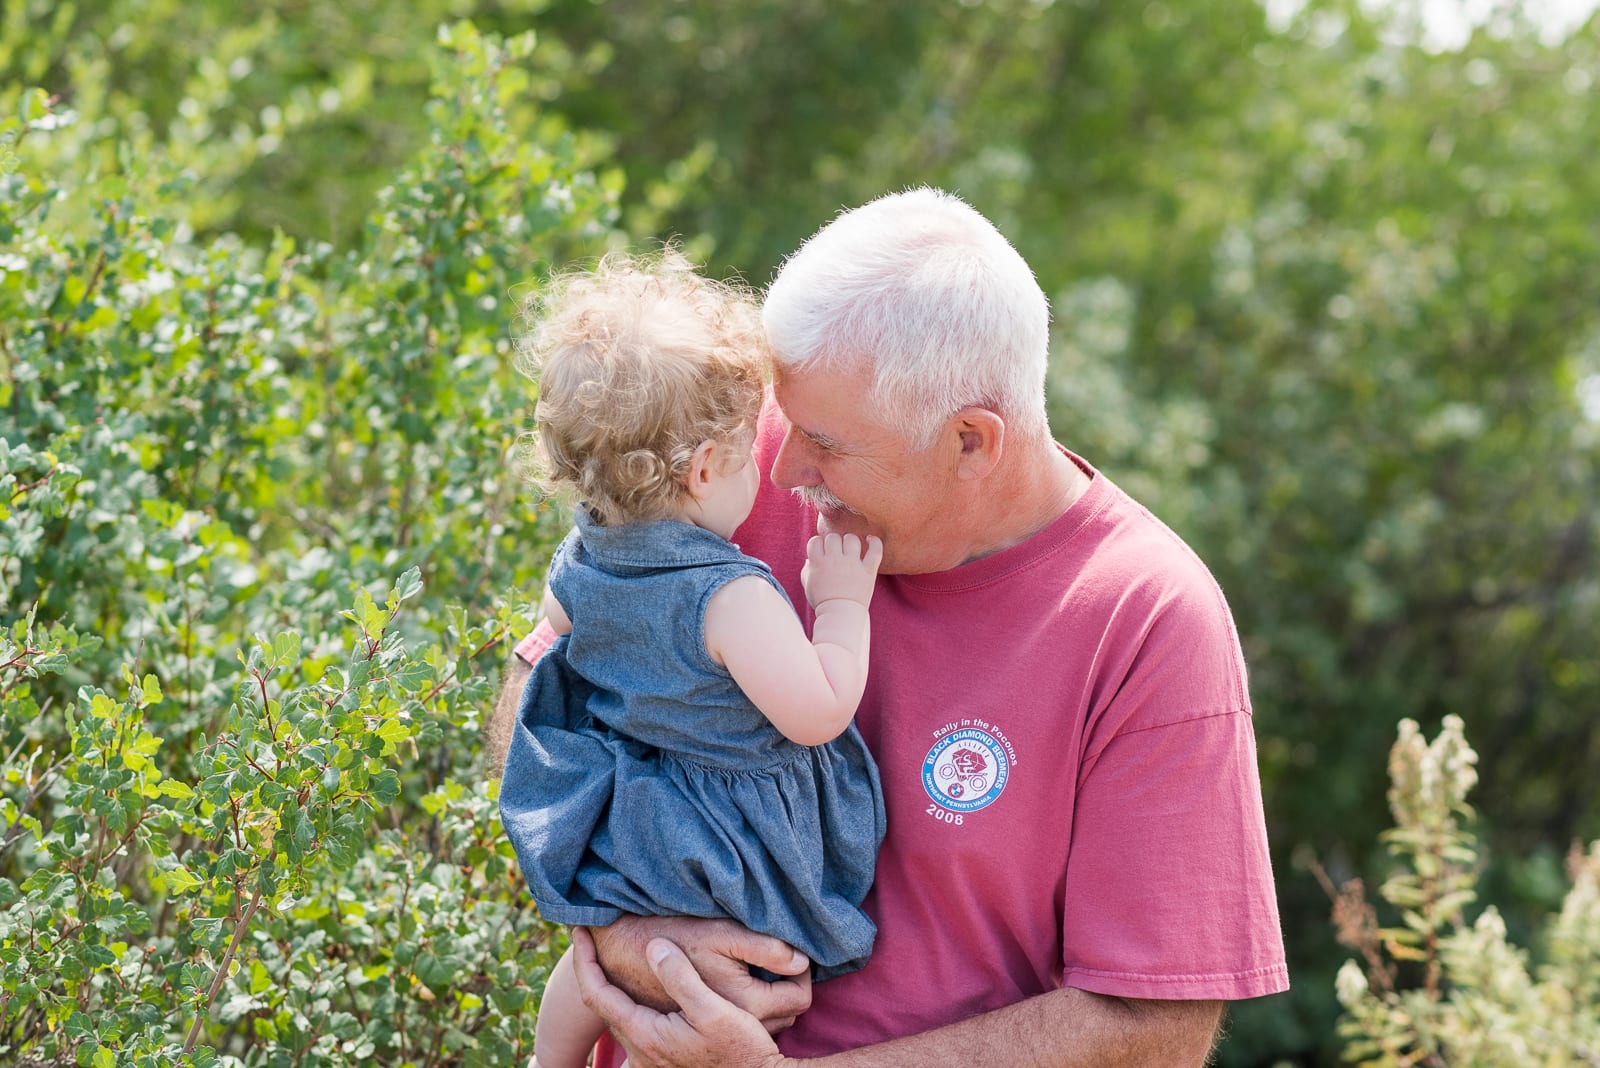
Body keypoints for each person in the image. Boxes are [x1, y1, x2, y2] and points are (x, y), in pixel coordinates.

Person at [490, 189, 1289, 1067]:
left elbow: (1152, 1031)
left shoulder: (1148, 622)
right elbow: (540, 703)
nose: (786, 467)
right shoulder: (718, 474)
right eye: (781, 423)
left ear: (972, 442)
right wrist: (639, 934)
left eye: (826, 446)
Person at [495, 252, 889, 1068]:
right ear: (708, 467)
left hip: (634, 818)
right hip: (729, 842)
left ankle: (548, 1060)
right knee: (701, 1004)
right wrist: (843, 604)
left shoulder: (579, 560)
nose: (766, 473)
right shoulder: (728, 595)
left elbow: (553, 658)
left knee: (599, 967)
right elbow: (816, 713)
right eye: (750, 454)